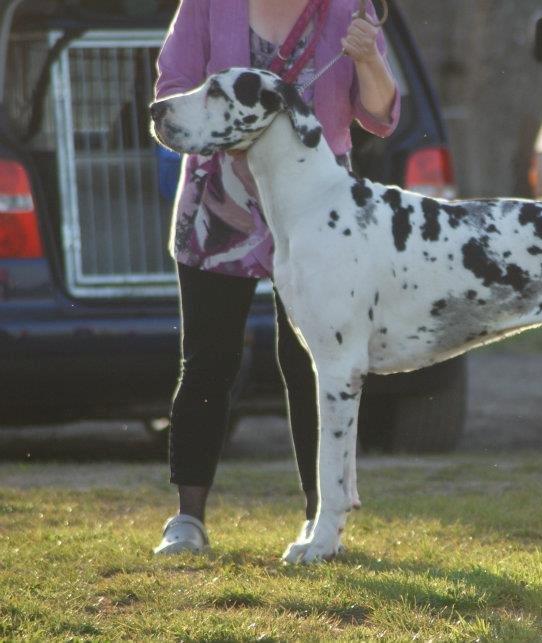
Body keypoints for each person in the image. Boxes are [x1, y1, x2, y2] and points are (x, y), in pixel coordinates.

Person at [152, 0, 399, 555]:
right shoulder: (208, 6)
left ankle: (321, 520)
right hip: (220, 201)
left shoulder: (349, 12)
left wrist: (368, 59)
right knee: (210, 361)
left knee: (310, 360)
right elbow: (174, 88)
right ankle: (187, 520)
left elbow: (380, 116)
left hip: (322, 211)